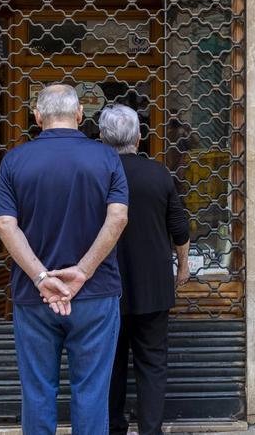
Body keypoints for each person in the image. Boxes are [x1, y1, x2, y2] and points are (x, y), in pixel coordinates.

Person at [0, 83, 129, 435]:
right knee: (92, 393)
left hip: (35, 296)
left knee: (37, 392)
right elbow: (118, 218)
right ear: (81, 115)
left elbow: (5, 225)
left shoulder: (14, 160)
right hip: (95, 295)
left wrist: (41, 277)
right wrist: (82, 272)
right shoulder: (107, 158)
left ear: (37, 117)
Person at [98, 105, 192, 435]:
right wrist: (182, 265)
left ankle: (113, 429)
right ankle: (150, 430)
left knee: (110, 365)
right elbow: (179, 226)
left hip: (105, 286)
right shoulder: (158, 174)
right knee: (152, 364)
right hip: (153, 287)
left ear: (101, 138)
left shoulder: (96, 174)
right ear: (140, 137)